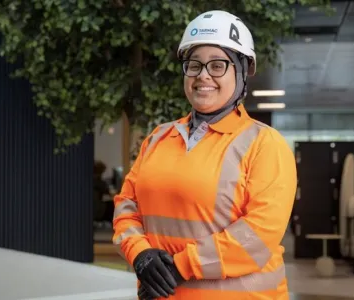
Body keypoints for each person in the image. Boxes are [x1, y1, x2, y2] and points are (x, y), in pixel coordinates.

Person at [113, 10, 297, 300]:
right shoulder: (159, 137)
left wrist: (179, 267)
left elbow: (259, 235)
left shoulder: (265, 144)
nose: (203, 75)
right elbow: (126, 205)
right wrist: (141, 254)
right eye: (194, 64)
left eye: (218, 65)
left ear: (241, 71)